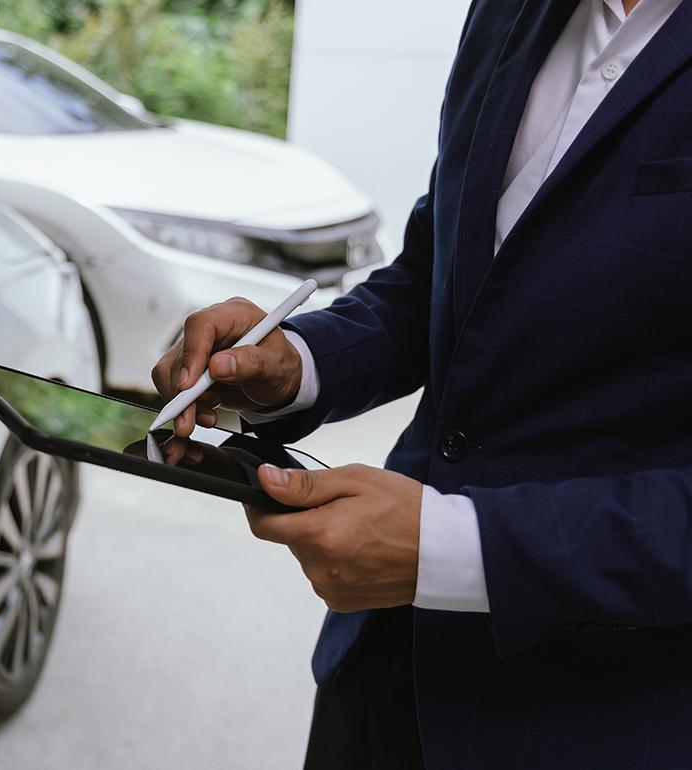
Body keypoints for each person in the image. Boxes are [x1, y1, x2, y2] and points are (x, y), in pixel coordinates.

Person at [152, 0, 692, 767]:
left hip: (607, 718)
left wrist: (453, 547)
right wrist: (296, 362)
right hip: (379, 663)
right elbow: (436, 275)